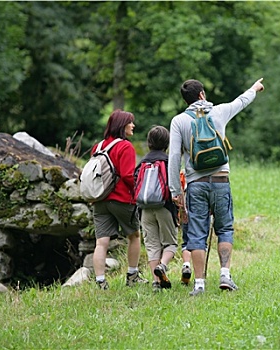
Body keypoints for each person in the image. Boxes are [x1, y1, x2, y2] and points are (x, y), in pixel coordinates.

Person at [168, 78, 265, 296]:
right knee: (224, 228)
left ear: (186, 100)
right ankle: (225, 276)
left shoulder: (178, 121)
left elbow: (174, 157)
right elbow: (241, 101)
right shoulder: (219, 111)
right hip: (221, 180)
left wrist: (175, 191)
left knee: (196, 233)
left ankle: (200, 284)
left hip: (195, 184)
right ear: (202, 94)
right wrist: (254, 88)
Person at [91, 109, 148, 290]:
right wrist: (139, 191)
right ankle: (132, 275)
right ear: (122, 125)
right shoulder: (125, 146)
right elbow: (127, 176)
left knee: (101, 242)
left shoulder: (98, 146)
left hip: (100, 199)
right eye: (130, 122)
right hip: (122, 199)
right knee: (134, 235)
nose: (133, 125)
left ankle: (101, 282)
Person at [134, 126, 179, 292]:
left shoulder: (142, 163)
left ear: (148, 143)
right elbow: (174, 185)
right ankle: (162, 265)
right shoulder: (168, 161)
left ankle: (156, 283)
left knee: (152, 245)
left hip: (145, 209)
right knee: (170, 244)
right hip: (164, 207)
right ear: (167, 143)